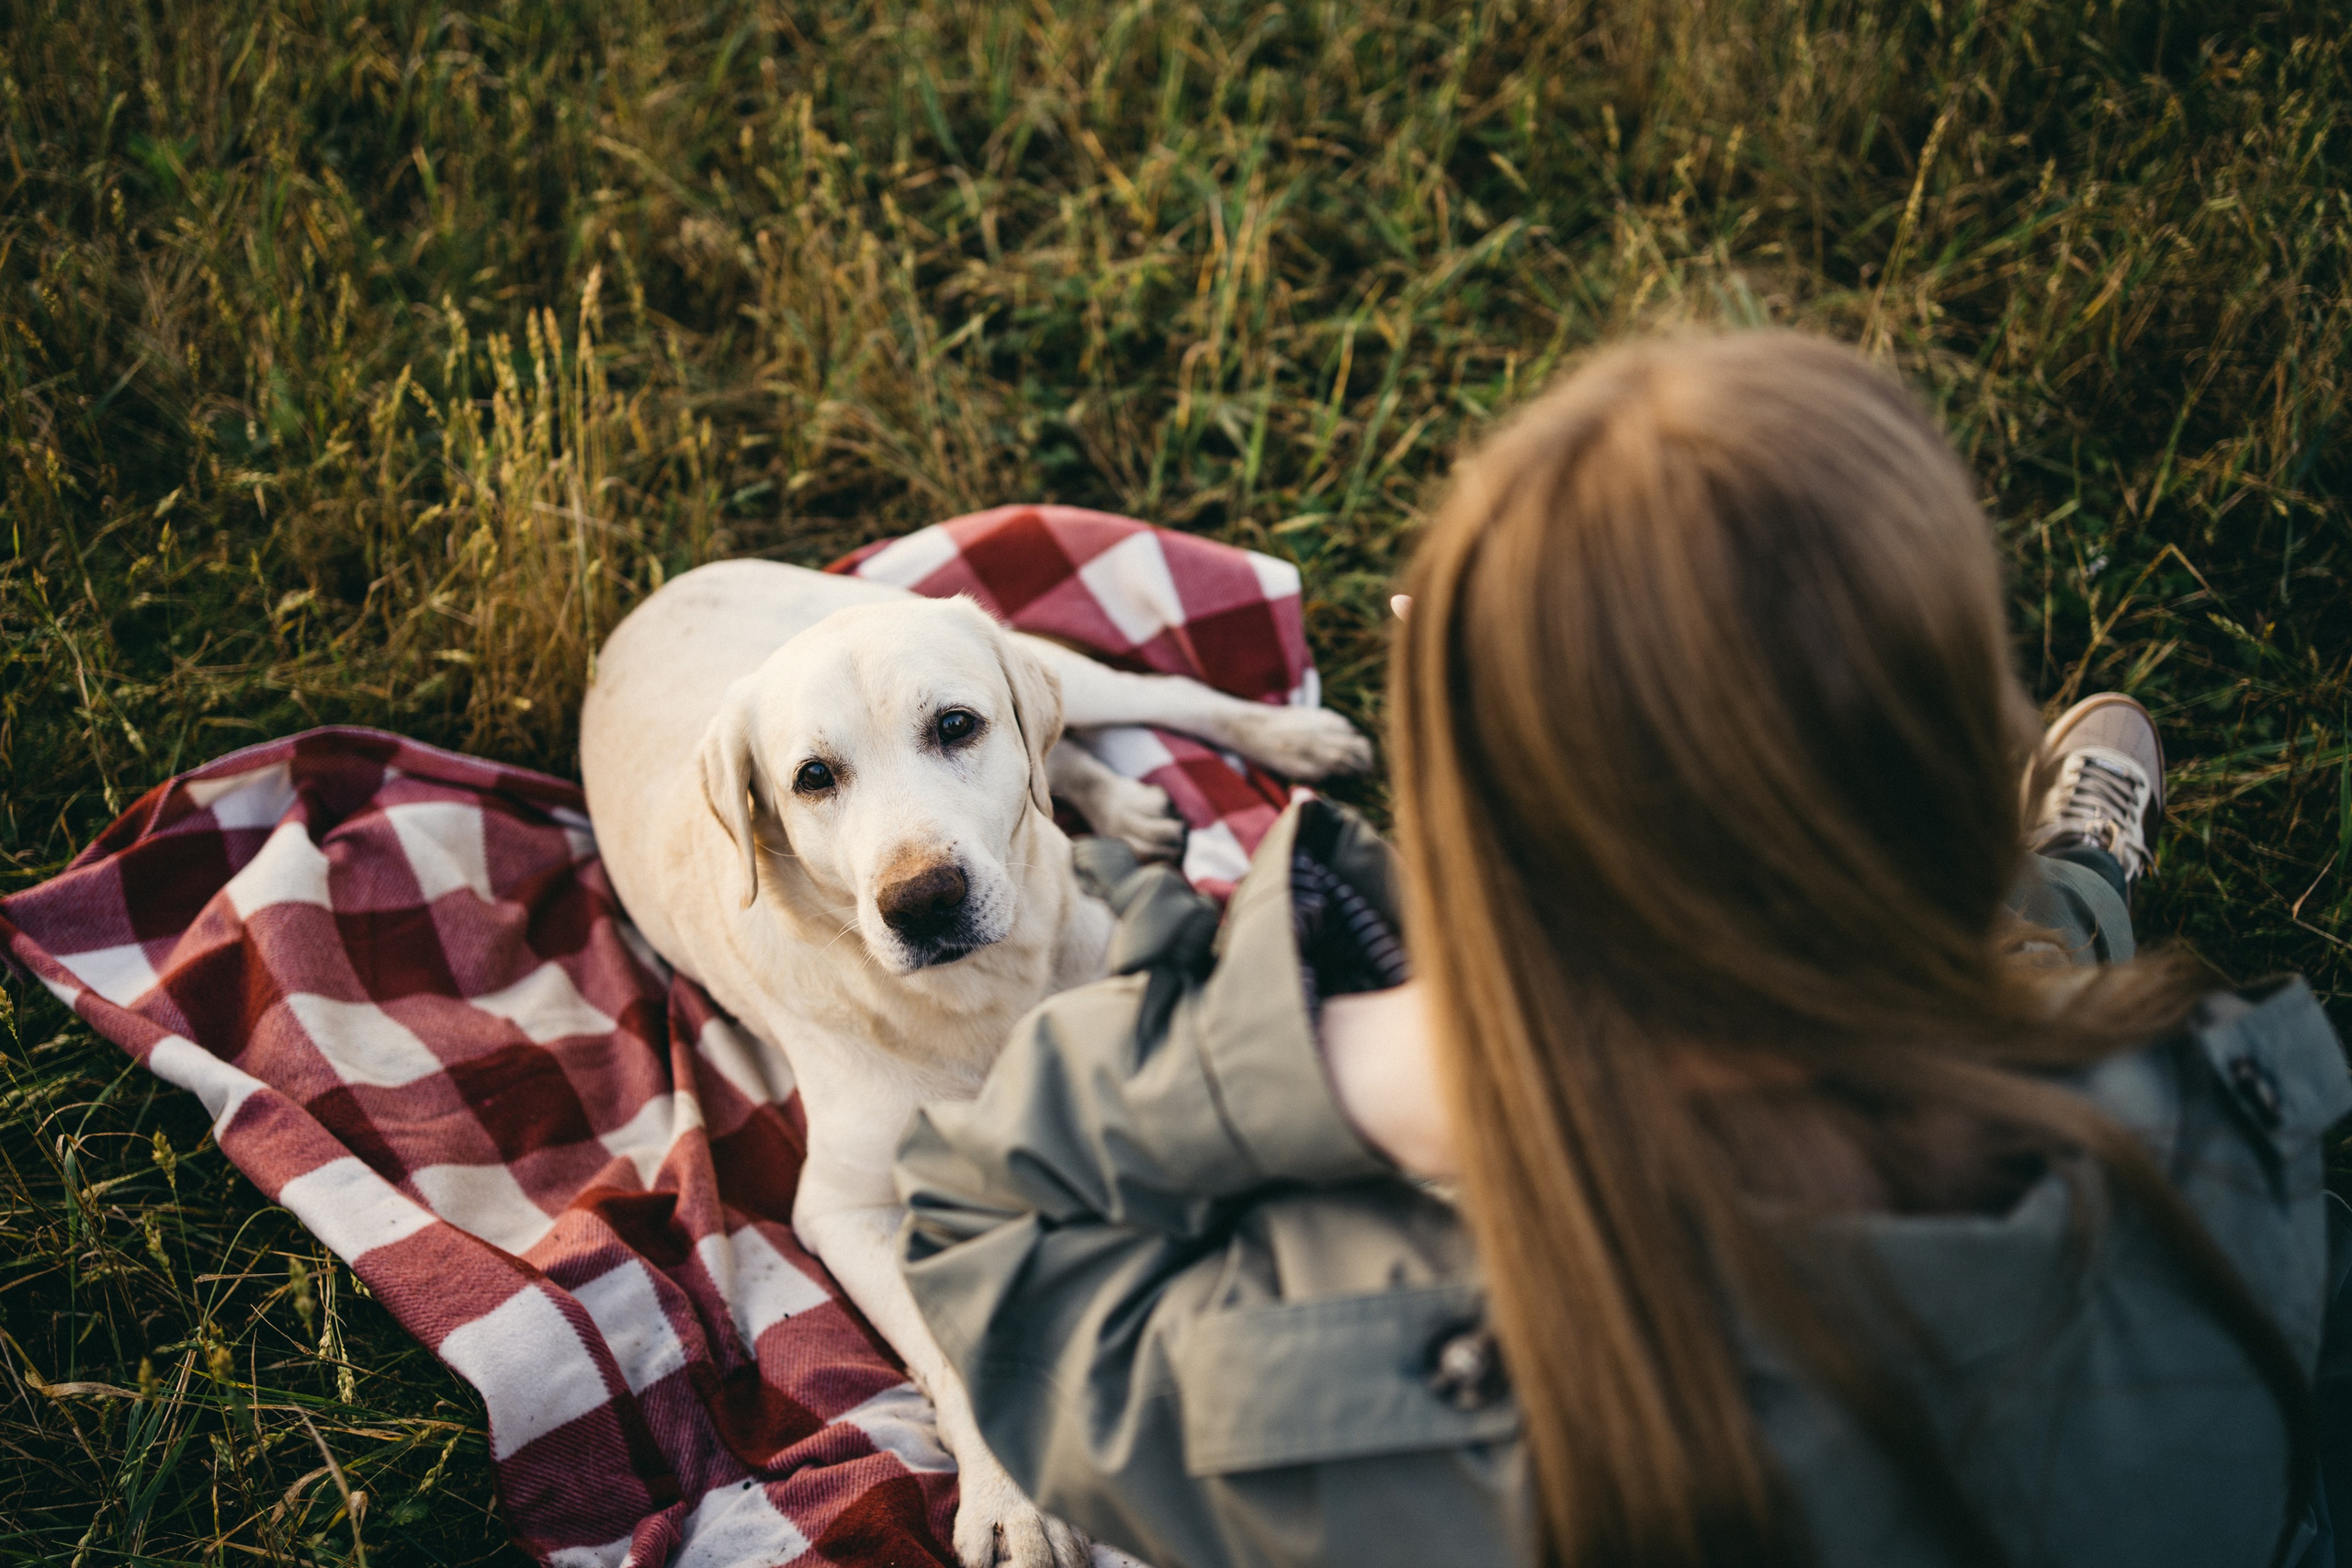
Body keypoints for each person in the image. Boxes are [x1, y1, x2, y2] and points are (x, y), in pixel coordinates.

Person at [890, 332, 2352, 1568]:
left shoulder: (1334, 1354)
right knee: (2026, 986)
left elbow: (986, 1236)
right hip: (1977, 1022)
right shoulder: (2232, 1153)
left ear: (1493, 857)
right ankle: (2072, 879)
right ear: (1980, 750)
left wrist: (1322, 1056)